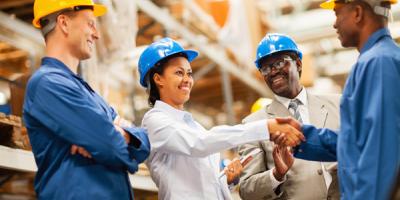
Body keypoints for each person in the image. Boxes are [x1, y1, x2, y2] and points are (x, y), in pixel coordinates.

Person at [137, 37, 305, 200]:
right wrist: (265, 127)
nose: (187, 80)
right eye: (179, 73)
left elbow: (202, 184)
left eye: (189, 73)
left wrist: (228, 179)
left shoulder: (193, 126)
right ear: (158, 79)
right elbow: (200, 144)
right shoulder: (154, 122)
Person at [23, 0, 150, 199]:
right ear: (64, 23)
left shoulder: (88, 93)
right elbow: (110, 146)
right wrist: (113, 136)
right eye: (90, 24)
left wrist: (121, 134)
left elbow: (142, 142)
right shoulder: (47, 84)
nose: (97, 34)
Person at [276, 0, 400, 199]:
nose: (334, 24)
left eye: (337, 13)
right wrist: (299, 135)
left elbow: (381, 154)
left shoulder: (379, 63)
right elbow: (353, 142)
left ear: (357, 13)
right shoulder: (372, 61)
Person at [238, 33, 341, 200]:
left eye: (279, 63)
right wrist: (276, 174)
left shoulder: (338, 105)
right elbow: (247, 190)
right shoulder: (253, 125)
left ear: (298, 64)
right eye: (265, 68)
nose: (272, 72)